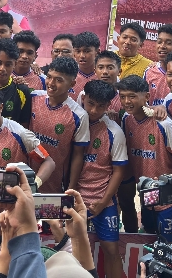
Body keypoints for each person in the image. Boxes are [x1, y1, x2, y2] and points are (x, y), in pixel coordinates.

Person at [117, 75, 172, 241]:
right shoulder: (126, 119)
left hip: (169, 196)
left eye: (132, 96)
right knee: (150, 237)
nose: (126, 101)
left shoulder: (163, 124)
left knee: (171, 244)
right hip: (147, 192)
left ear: (146, 96)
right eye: (122, 97)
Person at [74, 79, 127, 278]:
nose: (94, 110)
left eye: (101, 106)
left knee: (111, 250)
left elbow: (119, 171)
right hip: (75, 197)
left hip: (103, 200)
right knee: (72, 249)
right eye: (91, 103)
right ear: (83, 98)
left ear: (109, 105)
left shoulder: (115, 132)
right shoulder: (73, 122)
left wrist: (103, 202)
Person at [0, 84, 55, 184]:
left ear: (1, 107)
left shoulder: (20, 134)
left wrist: (35, 184)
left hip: (16, 192)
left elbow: (48, 162)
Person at [29, 56, 89, 193]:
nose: (51, 83)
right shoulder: (33, 97)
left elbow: (78, 154)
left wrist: (71, 187)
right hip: (27, 174)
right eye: (49, 77)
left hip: (56, 182)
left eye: (59, 80)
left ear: (72, 84)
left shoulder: (79, 115)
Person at [144, 23, 172, 106]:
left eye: (169, 43)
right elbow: (144, 103)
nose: (162, 46)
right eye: (159, 42)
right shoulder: (149, 72)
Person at [77, 50, 123, 120]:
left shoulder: (125, 95)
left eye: (110, 68)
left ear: (119, 71)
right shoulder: (85, 94)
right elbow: (79, 118)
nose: (105, 72)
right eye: (101, 67)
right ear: (95, 71)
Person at [69, 31, 100, 97]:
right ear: (74, 53)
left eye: (87, 51)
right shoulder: (67, 76)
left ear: (97, 52)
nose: (82, 56)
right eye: (78, 51)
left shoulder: (104, 77)